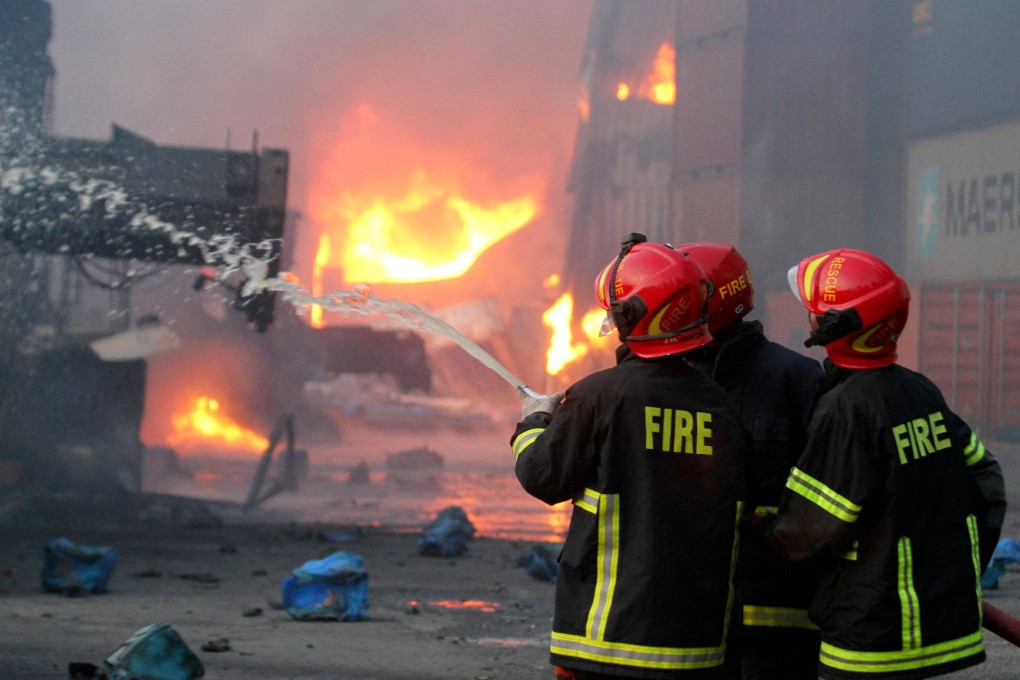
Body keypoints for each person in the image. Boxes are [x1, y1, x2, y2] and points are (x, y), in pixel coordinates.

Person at [757, 248, 1007, 679]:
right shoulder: (920, 391)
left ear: (835, 328)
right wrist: (955, 571)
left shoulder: (847, 408)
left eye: (815, 312)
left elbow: (805, 533)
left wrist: (748, 530)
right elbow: (986, 481)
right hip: (935, 627)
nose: (809, 320)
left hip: (869, 638)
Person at [513, 232, 750, 680]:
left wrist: (533, 425)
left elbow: (544, 476)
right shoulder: (719, 405)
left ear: (631, 318)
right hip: (694, 646)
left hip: (607, 641)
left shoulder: (601, 395)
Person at [677, 242, 825, 680]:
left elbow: (827, 491)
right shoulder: (669, 380)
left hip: (778, 619)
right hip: (691, 612)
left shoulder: (795, 378)